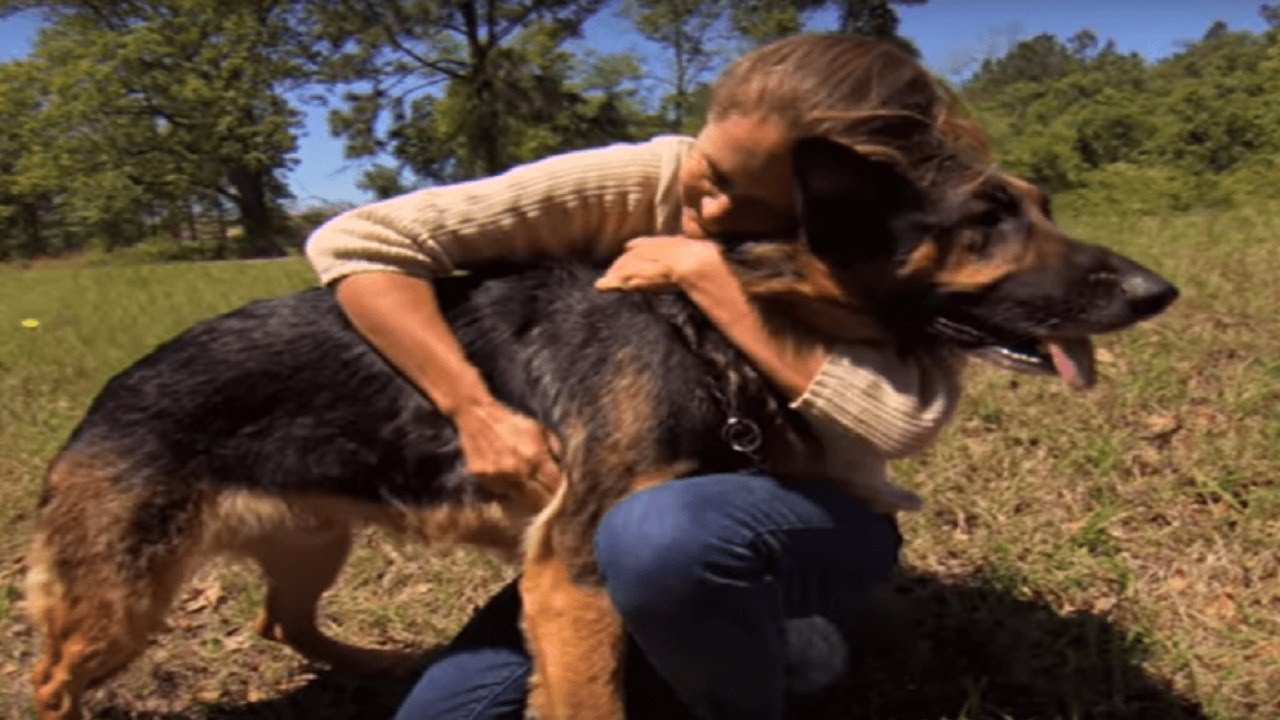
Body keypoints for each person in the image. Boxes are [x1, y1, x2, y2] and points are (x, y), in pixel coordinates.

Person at [304, 33, 990, 720]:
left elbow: (902, 420)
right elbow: (361, 241)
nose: (714, 210)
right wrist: (472, 407)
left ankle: (780, 628)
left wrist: (708, 275)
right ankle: (690, 627)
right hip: (615, 521)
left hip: (793, 525)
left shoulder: (884, 244)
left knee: (665, 536)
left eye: (761, 205)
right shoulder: (650, 180)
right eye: (714, 172)